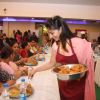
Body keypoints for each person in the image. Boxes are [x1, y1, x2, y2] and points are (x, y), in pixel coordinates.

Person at [29, 16, 95, 100]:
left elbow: (86, 66)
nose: (50, 37)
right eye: (49, 33)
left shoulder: (77, 43)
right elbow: (51, 63)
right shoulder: (55, 45)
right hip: (64, 85)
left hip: (78, 87)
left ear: (60, 28)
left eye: (52, 33)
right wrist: (35, 70)